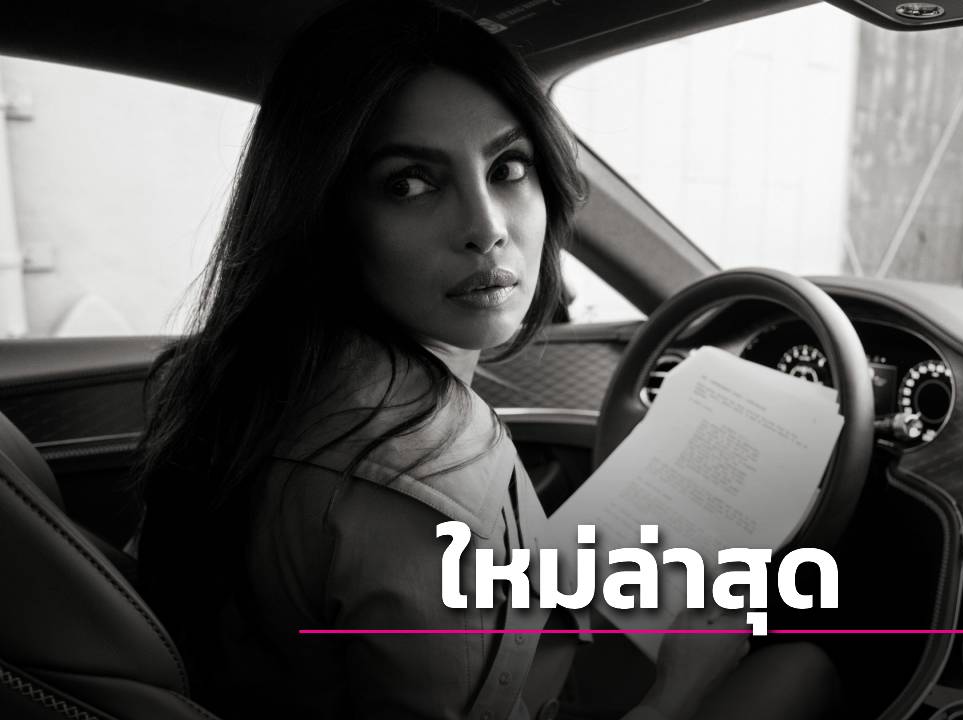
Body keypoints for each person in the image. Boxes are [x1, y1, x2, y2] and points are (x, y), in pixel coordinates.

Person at [134, 1, 840, 718]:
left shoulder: (236, 379)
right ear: (323, 214)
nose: (487, 227)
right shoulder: (424, 463)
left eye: (508, 167)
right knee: (803, 667)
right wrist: (678, 688)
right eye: (409, 183)